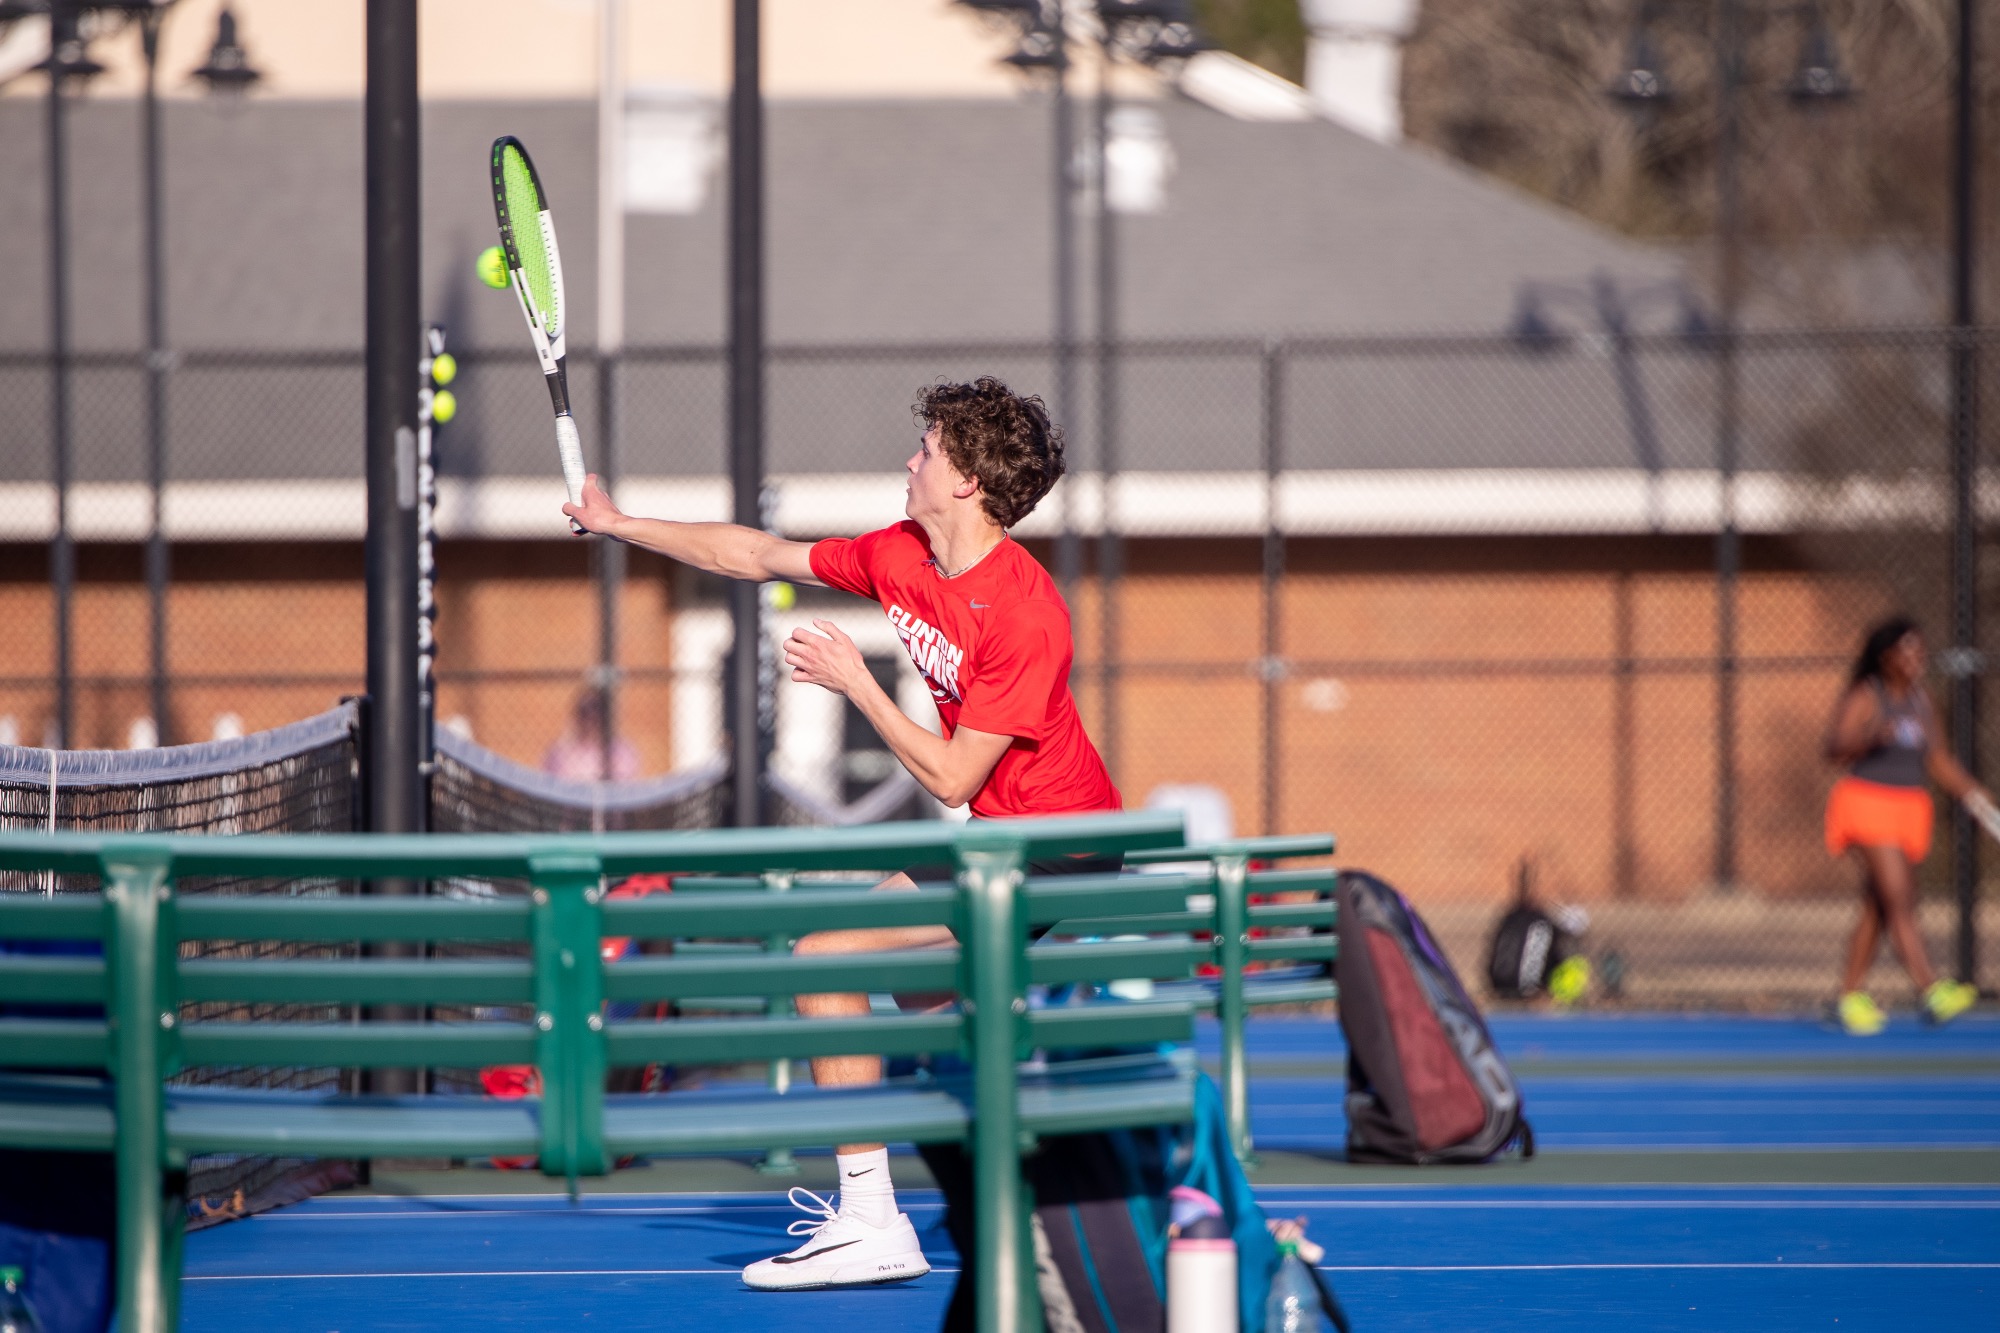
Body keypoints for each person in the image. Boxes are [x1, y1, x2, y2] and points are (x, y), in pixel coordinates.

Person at [563, 376, 1120, 1289]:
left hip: (1061, 846)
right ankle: (1030, 1160)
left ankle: (873, 1220)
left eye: (930, 451)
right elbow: (753, 553)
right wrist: (621, 521)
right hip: (1002, 833)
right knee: (918, 998)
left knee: (830, 960)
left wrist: (857, 682)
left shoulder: (1024, 611)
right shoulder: (900, 554)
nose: (913, 460)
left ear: (969, 480)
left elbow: (949, 777)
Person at [1823, 616, 1983, 1035]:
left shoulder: (1921, 700)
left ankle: (1848, 997)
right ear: (1886, 657)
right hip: (1867, 804)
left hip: (1908, 808)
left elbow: (1939, 760)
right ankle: (1930, 987)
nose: (1917, 659)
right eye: (1907, 651)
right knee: (1900, 896)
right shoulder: (1867, 695)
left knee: (1878, 905)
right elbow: (1834, 747)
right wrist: (1871, 738)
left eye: (1920, 650)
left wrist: (1975, 796)